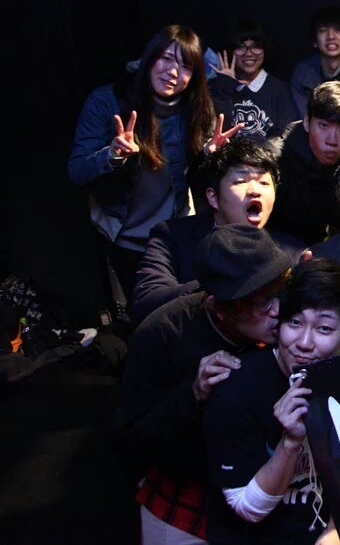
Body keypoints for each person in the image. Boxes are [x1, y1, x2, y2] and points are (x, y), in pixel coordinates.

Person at [112, 224, 296, 544]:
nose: (277, 312)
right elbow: (133, 440)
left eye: (279, 294)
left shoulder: (289, 324)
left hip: (264, 481)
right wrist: (192, 395)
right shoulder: (163, 334)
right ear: (218, 308)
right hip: (185, 490)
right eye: (261, 303)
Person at [203, 258, 340, 545]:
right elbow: (247, 508)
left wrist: (334, 531)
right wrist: (290, 443)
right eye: (294, 323)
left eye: (324, 329)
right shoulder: (236, 388)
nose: (304, 342)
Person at [68, 24, 221, 320]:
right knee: (141, 317)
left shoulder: (197, 108)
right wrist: (111, 156)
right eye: (166, 58)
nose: (173, 72)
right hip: (122, 234)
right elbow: (77, 170)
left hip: (172, 231)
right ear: (149, 58)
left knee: (178, 314)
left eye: (185, 66)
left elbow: (199, 176)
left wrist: (210, 158)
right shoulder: (107, 101)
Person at [132, 138, 305, 323]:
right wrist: (220, 285)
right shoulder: (172, 235)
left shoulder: (293, 253)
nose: (255, 191)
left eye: (264, 183)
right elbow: (146, 300)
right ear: (213, 197)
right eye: (240, 181)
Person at [267, 81, 340, 246]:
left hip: (326, 251)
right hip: (273, 246)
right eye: (323, 126)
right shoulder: (273, 158)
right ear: (307, 122)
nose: (331, 140)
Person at [208, 18, 298, 144]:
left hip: (268, 155)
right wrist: (225, 87)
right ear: (231, 51)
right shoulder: (217, 87)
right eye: (241, 47)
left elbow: (286, 135)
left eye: (255, 47)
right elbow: (215, 133)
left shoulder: (279, 89)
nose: (249, 53)